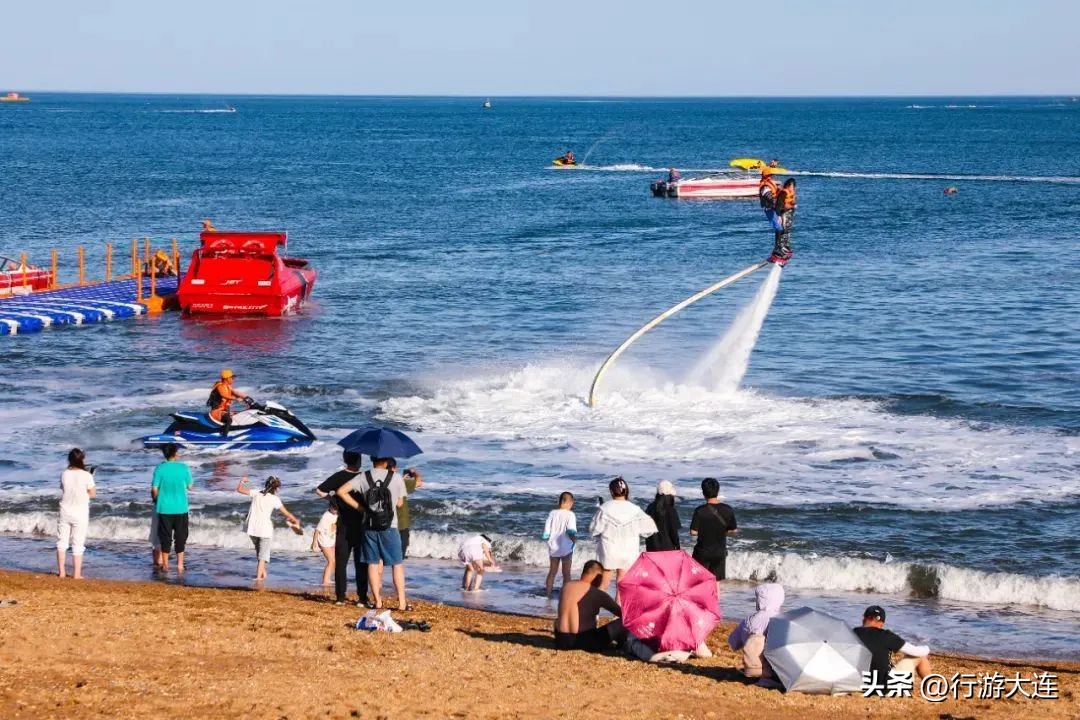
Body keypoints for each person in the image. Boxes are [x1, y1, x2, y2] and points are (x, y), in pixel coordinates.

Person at [336, 456, 409, 611]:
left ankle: (378, 601)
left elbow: (341, 491)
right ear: (386, 461)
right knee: (397, 564)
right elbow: (400, 503)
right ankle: (402, 603)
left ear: (372, 459)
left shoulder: (364, 476)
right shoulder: (395, 477)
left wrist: (360, 508)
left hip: (369, 526)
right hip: (390, 526)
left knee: (373, 564)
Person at [590, 477, 657, 599]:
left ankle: (595, 613)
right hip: (628, 549)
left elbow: (594, 529)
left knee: (603, 583)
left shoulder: (604, 508)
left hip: (609, 548)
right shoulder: (635, 509)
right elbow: (649, 528)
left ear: (611, 492)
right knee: (621, 584)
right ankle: (618, 613)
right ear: (626, 491)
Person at [315, 450, 368, 606]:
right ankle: (362, 598)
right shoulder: (363, 477)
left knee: (341, 562)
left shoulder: (338, 476)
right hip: (360, 523)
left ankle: (340, 597)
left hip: (343, 523)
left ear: (345, 460)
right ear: (359, 460)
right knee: (360, 562)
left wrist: (333, 501)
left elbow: (319, 490)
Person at [236, 475, 301, 581]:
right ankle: (258, 578)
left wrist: (242, 481)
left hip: (251, 528)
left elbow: (239, 489)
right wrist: (295, 520)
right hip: (264, 530)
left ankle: (263, 574)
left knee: (260, 553)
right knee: (263, 556)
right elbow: (286, 513)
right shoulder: (275, 499)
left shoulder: (257, 493)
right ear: (277, 488)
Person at [554, 560, 627, 652]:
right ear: (597, 577)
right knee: (623, 623)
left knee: (558, 619)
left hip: (561, 640)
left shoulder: (566, 586)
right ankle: (623, 645)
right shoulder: (596, 593)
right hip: (585, 642)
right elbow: (623, 615)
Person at [853, 605, 932, 689]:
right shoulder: (886, 635)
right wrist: (927, 649)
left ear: (864, 618)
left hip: (857, 684)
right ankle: (932, 687)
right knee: (920, 657)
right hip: (885, 687)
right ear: (882, 624)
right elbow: (916, 652)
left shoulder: (852, 633)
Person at [689, 477, 737, 595]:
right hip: (719, 552)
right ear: (718, 491)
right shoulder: (728, 510)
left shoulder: (699, 511)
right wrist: (722, 531)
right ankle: (715, 609)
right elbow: (733, 530)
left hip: (702, 552)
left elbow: (693, 532)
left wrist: (705, 530)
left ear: (703, 493)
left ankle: (702, 607)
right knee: (716, 583)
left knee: (701, 582)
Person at [727, 583, 785, 680]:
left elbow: (732, 643)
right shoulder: (782, 620)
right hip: (776, 669)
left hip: (751, 666)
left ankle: (754, 667)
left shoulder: (749, 620)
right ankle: (768, 670)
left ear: (759, 601)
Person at [152, 443, 194, 573]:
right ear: (175, 453)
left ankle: (165, 565)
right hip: (181, 507)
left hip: (164, 507)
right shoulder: (183, 467)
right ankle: (180, 565)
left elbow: (154, 489)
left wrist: (156, 499)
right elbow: (190, 487)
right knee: (181, 536)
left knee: (165, 537)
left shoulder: (160, 468)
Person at [57, 448, 96, 579]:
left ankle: (62, 572)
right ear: (82, 459)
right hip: (80, 512)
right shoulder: (87, 475)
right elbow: (93, 494)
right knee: (78, 544)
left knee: (62, 542)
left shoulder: (64, 473)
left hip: (65, 510)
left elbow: (63, 489)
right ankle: (77, 574)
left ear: (69, 459)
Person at [543, 492, 577, 599]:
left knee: (552, 572)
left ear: (560, 501)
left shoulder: (552, 513)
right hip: (566, 547)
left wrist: (548, 539)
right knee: (566, 573)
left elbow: (545, 534)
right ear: (569, 502)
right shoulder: (570, 514)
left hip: (553, 547)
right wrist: (574, 541)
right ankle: (566, 596)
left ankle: (548, 594)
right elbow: (571, 531)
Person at [390, 459, 423, 558]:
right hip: (401, 523)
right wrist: (415, 473)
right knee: (400, 556)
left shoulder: (380, 482)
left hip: (387, 522)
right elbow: (419, 482)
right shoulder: (401, 482)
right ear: (394, 468)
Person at [207, 369, 249, 437]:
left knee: (240, 414)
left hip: (223, 411)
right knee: (229, 420)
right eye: (232, 378)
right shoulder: (220, 386)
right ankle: (224, 437)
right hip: (217, 411)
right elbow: (224, 395)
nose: (233, 379)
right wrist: (236, 398)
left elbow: (236, 392)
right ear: (227, 378)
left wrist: (247, 398)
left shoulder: (228, 387)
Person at [644, 480, 680, 552]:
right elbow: (674, 533)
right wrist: (678, 547)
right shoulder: (671, 510)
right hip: (668, 549)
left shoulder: (649, 508)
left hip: (652, 549)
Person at [311, 499, 338, 586]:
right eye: (334, 508)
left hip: (331, 541)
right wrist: (314, 542)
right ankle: (325, 581)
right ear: (330, 507)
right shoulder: (326, 516)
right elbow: (317, 530)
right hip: (324, 541)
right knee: (331, 561)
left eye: (337, 509)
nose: (335, 510)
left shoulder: (337, 515)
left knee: (334, 561)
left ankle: (328, 578)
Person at [772, 178, 796, 262]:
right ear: (788, 185)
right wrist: (779, 216)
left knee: (788, 230)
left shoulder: (790, 193)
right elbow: (779, 205)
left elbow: (791, 203)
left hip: (789, 214)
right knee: (783, 229)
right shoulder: (783, 192)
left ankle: (786, 246)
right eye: (792, 186)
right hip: (783, 213)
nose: (793, 188)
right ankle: (780, 248)